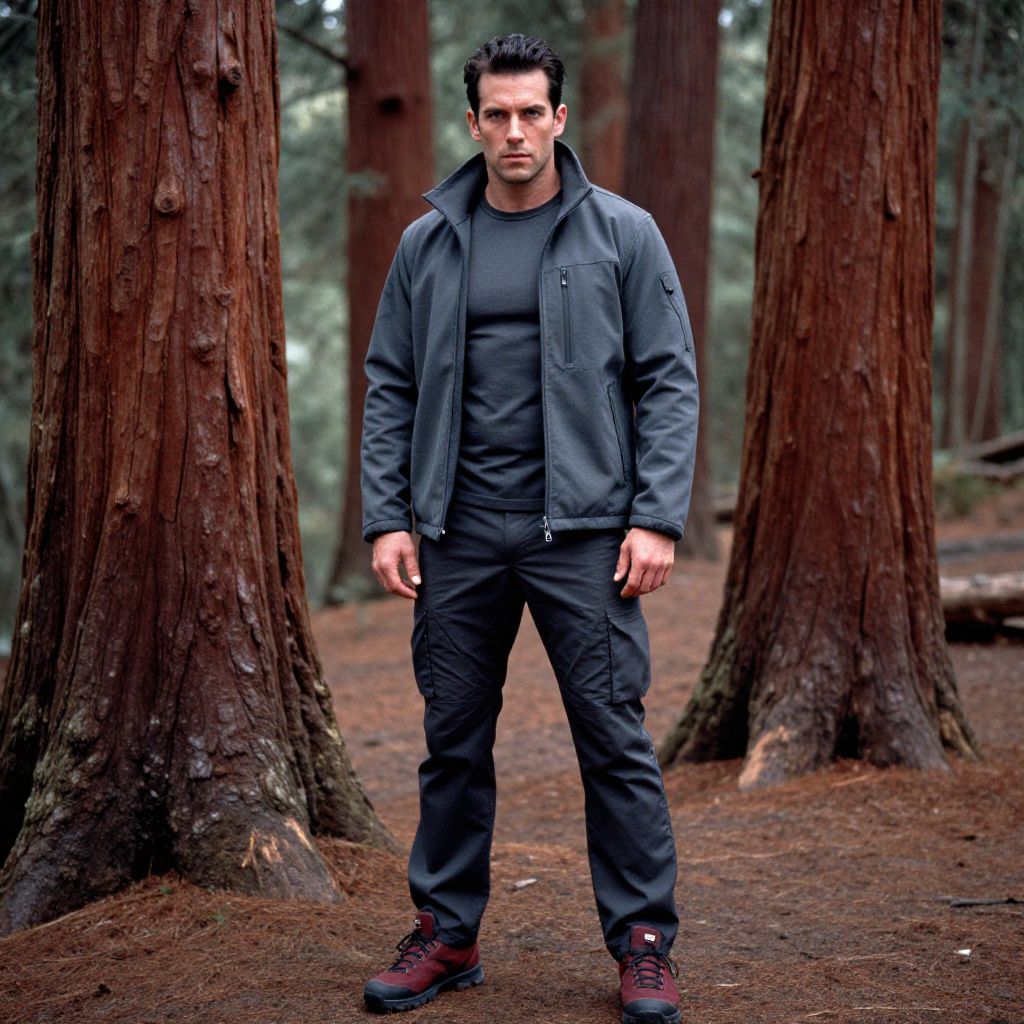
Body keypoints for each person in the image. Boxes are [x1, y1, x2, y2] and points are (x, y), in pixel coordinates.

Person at [359, 33, 698, 1024]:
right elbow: (389, 382)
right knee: (453, 742)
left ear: (559, 118)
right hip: (457, 532)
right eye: (495, 115)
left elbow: (667, 379)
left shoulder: (621, 234)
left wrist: (657, 518)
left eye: (530, 113)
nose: (514, 131)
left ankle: (642, 941)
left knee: (613, 739)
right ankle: (447, 933)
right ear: (473, 124)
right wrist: (389, 517)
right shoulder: (428, 243)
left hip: (585, 536)